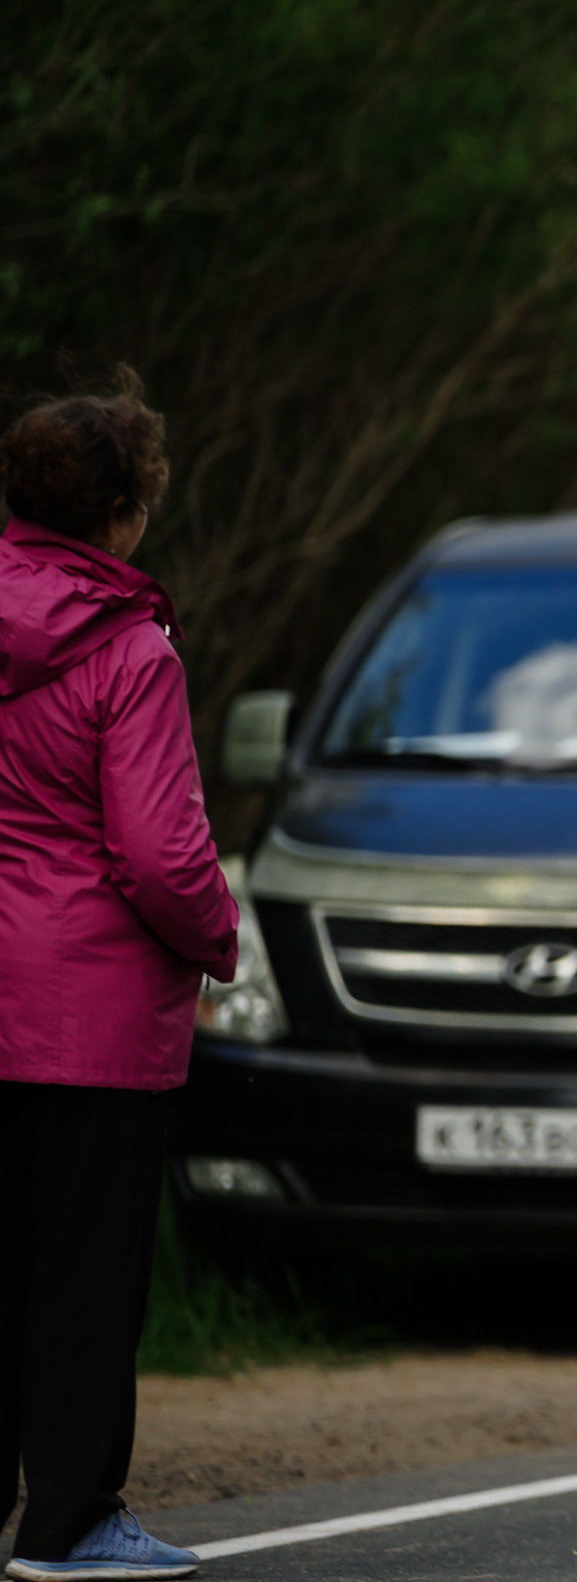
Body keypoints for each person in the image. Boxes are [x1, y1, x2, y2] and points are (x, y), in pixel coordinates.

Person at [0, 376, 239, 1582]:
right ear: (122, 512)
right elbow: (158, 853)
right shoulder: (129, 647)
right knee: (84, 1273)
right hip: (87, 1012)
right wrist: (219, 936)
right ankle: (71, 1521)